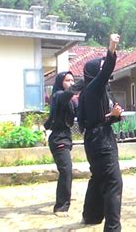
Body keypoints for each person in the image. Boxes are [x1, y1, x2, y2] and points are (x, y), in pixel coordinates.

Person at [78, 34, 124, 231]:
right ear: (94, 74)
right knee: (114, 182)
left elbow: (96, 120)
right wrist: (112, 47)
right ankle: (112, 228)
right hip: (101, 142)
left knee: (98, 178)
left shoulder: (92, 92)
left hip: (94, 140)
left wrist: (113, 115)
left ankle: (91, 215)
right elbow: (105, 71)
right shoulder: (94, 88)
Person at [44, 71, 83, 217]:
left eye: (73, 80)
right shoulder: (58, 95)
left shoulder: (72, 101)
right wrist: (85, 80)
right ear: (61, 82)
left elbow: (80, 112)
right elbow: (67, 94)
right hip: (58, 139)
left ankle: (63, 202)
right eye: (68, 80)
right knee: (66, 170)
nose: (71, 83)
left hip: (66, 137)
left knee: (66, 171)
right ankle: (61, 207)